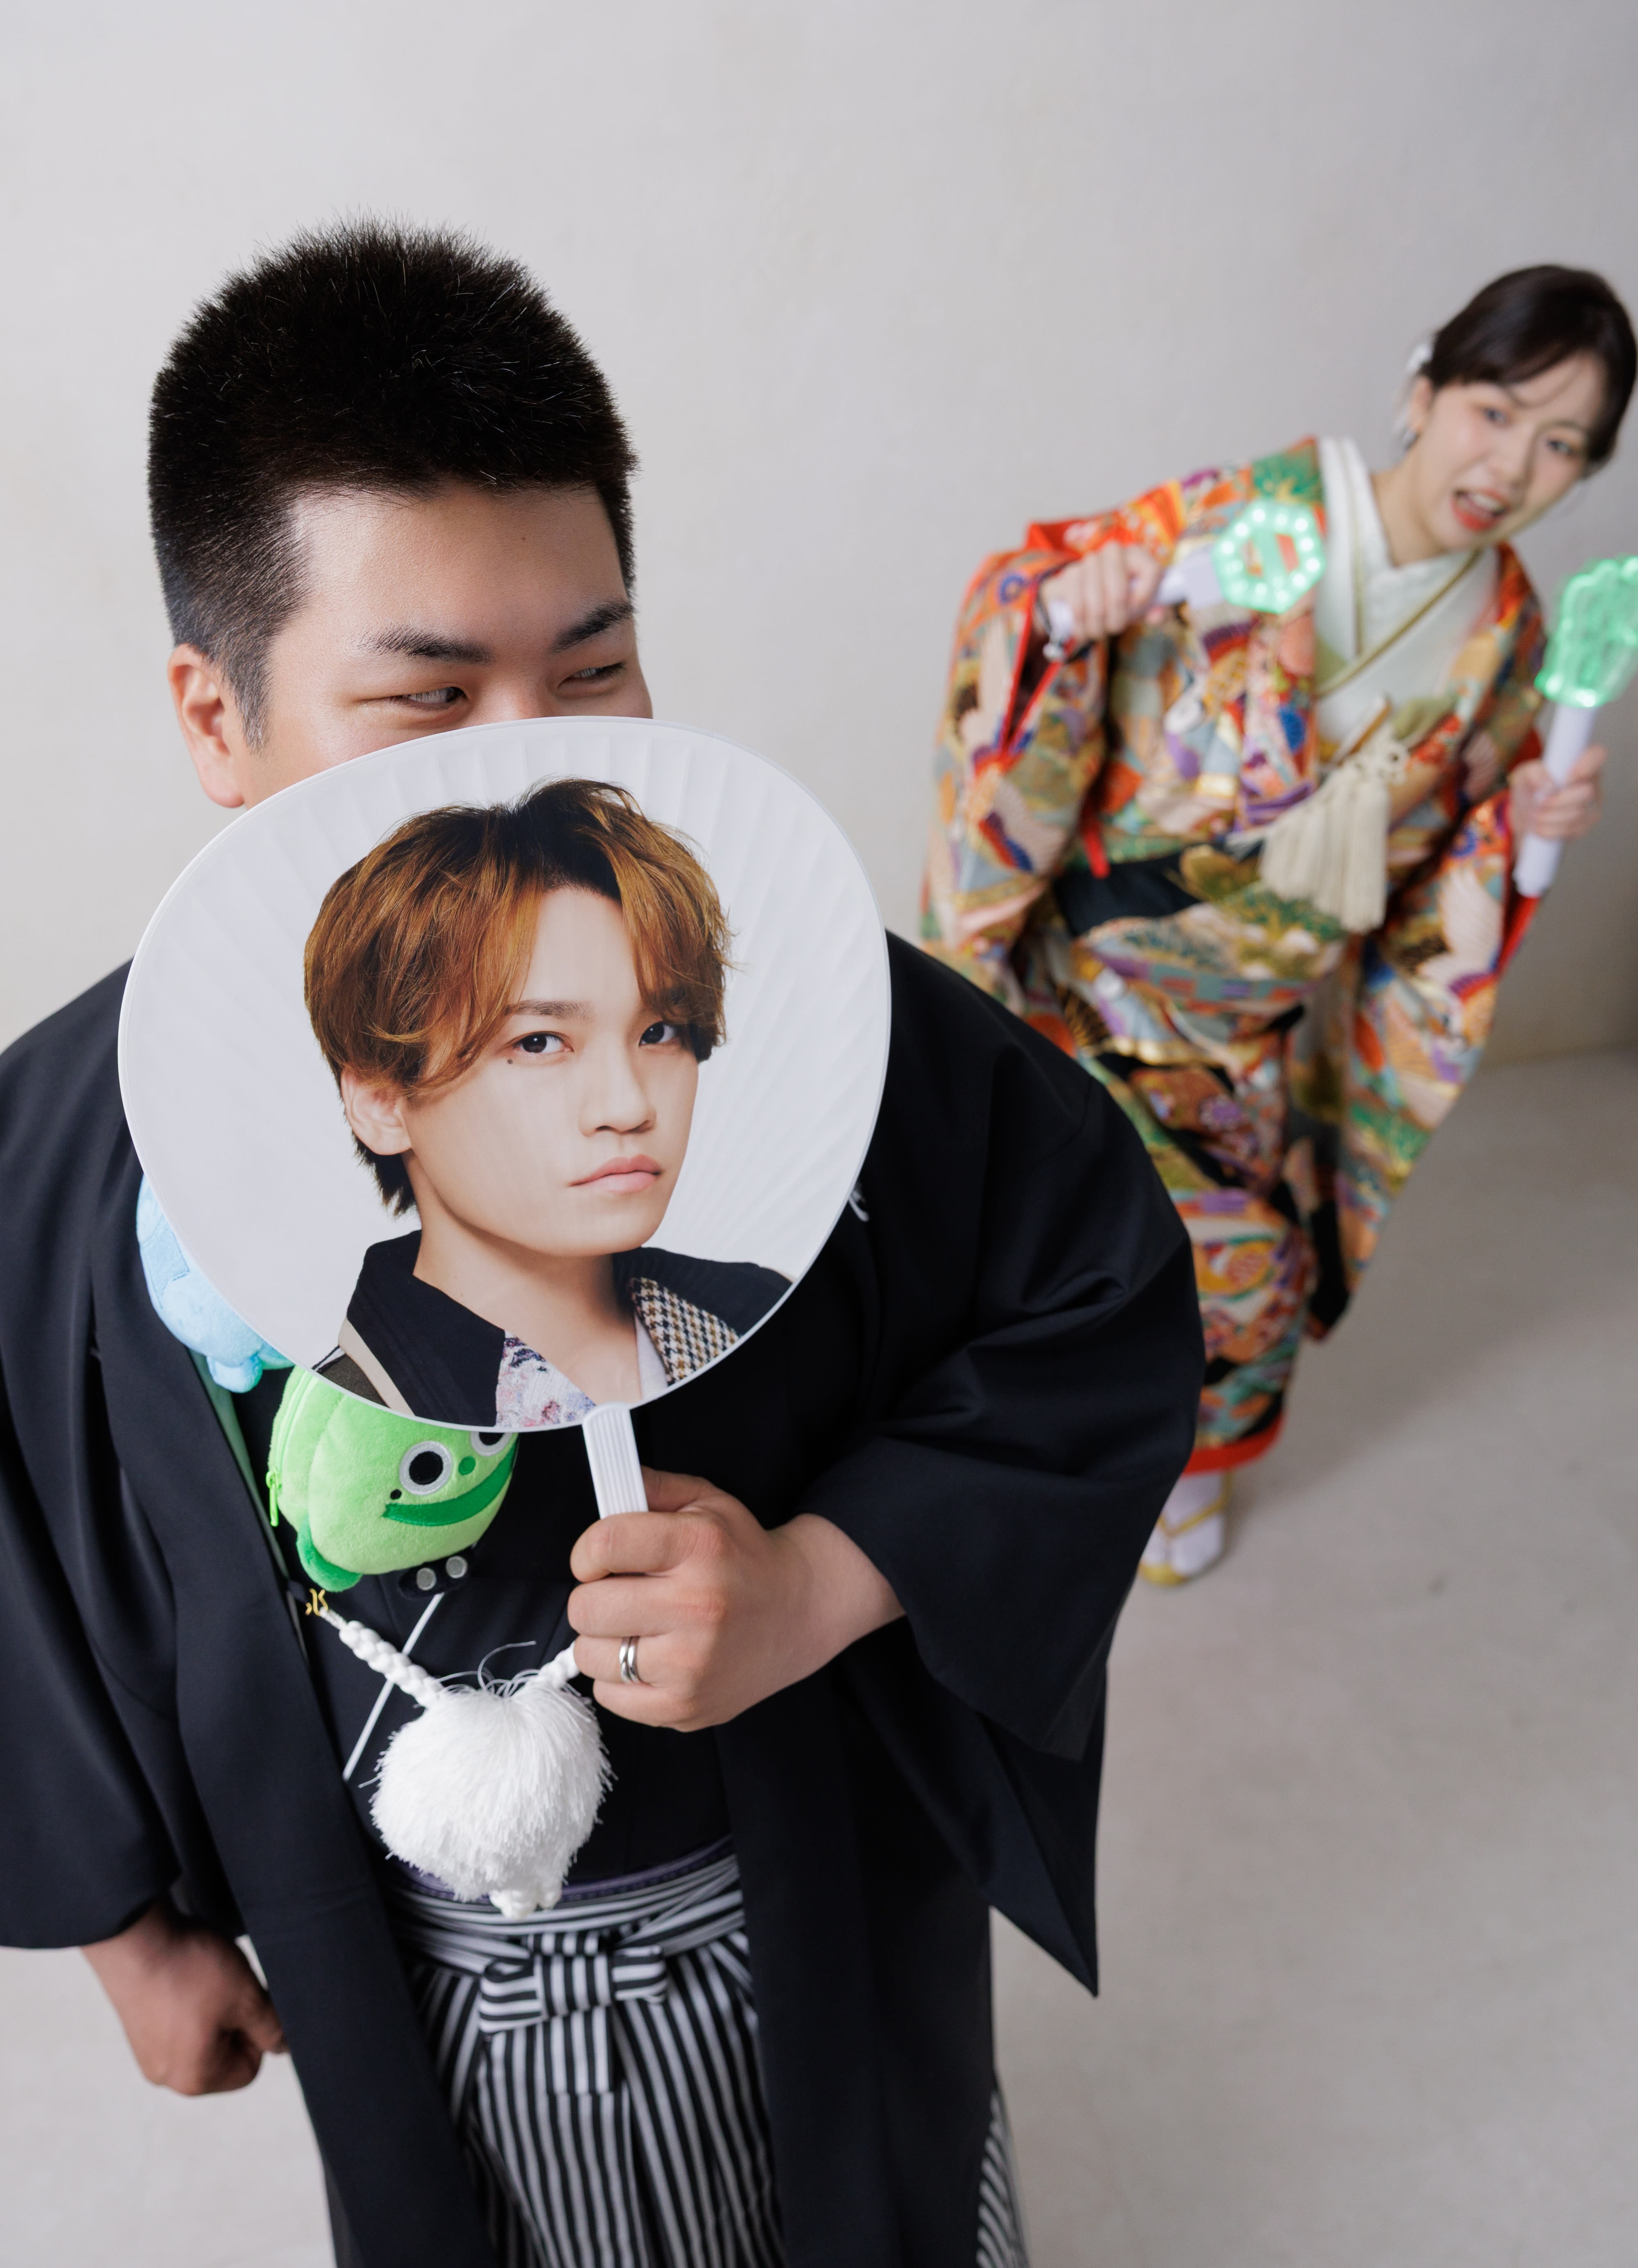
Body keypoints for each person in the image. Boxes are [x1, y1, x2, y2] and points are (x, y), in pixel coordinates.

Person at [0, 222, 1203, 2268]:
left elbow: (1095, 1286)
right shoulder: (67, 1143)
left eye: (589, 669)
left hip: (803, 1863)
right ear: (218, 716)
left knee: (887, 2204)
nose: (534, 747)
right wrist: (126, 1924)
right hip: (403, 1947)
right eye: (427, 694)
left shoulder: (820, 1015)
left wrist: (822, 1579)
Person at [923, 265, 1632, 1586]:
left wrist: (1520, 826)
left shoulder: (1510, 645)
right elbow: (1034, 601)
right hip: (1088, 973)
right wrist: (1074, 607)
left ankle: (1183, 1466)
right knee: (1018, 1238)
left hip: (1250, 1017)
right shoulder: (1251, 514)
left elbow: (1447, 881)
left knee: (1238, 1267)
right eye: (1493, 412)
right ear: (1424, 391)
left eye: (1560, 445)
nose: (1510, 466)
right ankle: (1005, 1475)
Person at [303, 776, 787, 1427]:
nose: (628, 1107)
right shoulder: (348, 1431)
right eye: (538, 1043)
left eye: (658, 1032)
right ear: (383, 1102)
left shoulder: (768, 1315)